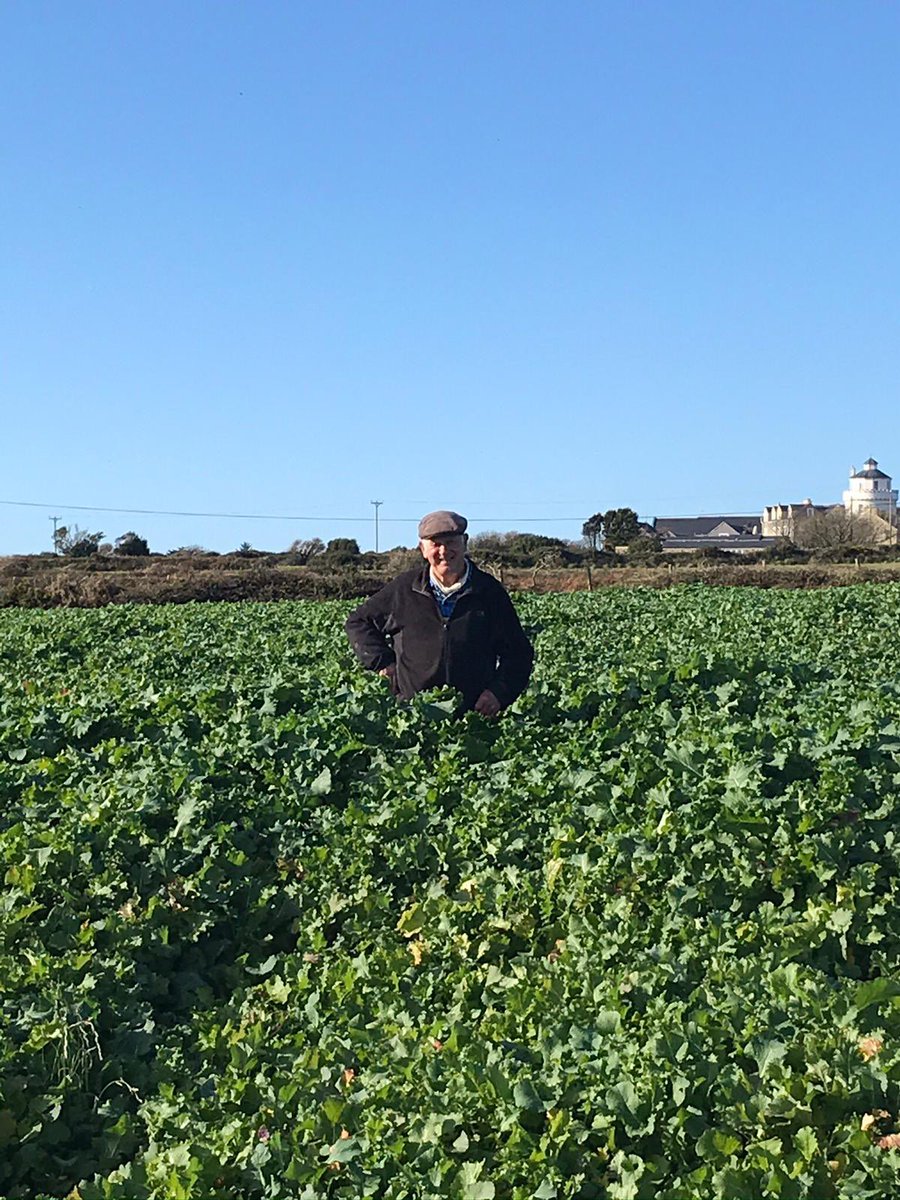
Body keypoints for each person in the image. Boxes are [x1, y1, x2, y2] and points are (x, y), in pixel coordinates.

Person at [345, 510, 534, 715]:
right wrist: (383, 662)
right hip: (412, 714)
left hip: (472, 718)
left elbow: (518, 654)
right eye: (435, 544)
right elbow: (359, 622)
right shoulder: (404, 589)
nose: (443, 551)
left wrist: (498, 693)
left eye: (451, 542)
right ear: (422, 549)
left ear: (464, 543)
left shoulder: (489, 592)